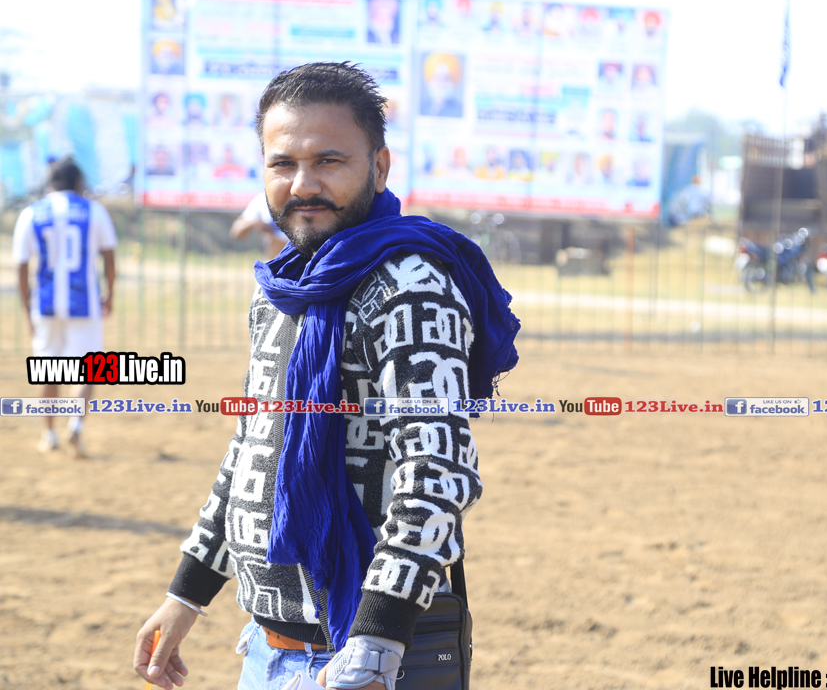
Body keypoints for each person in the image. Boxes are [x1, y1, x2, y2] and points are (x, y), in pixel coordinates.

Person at [133, 62, 519, 690]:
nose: (303, 184)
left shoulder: (409, 286)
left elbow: (438, 470)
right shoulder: (282, 287)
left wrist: (376, 641)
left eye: (329, 161)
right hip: (266, 648)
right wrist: (187, 595)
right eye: (283, 164)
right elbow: (253, 450)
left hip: (361, 657)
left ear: (380, 167)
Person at [13, 157, 117, 458]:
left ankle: (49, 434)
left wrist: (26, 308)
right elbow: (109, 258)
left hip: (45, 304)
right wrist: (110, 293)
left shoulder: (32, 213)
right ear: (78, 182)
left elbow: (21, 266)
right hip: (85, 303)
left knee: (48, 370)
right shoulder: (94, 210)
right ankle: (76, 426)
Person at [230, 193, 289, 258]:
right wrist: (255, 222)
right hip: (274, 259)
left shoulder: (296, 196)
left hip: (295, 259)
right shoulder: (262, 199)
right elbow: (236, 232)